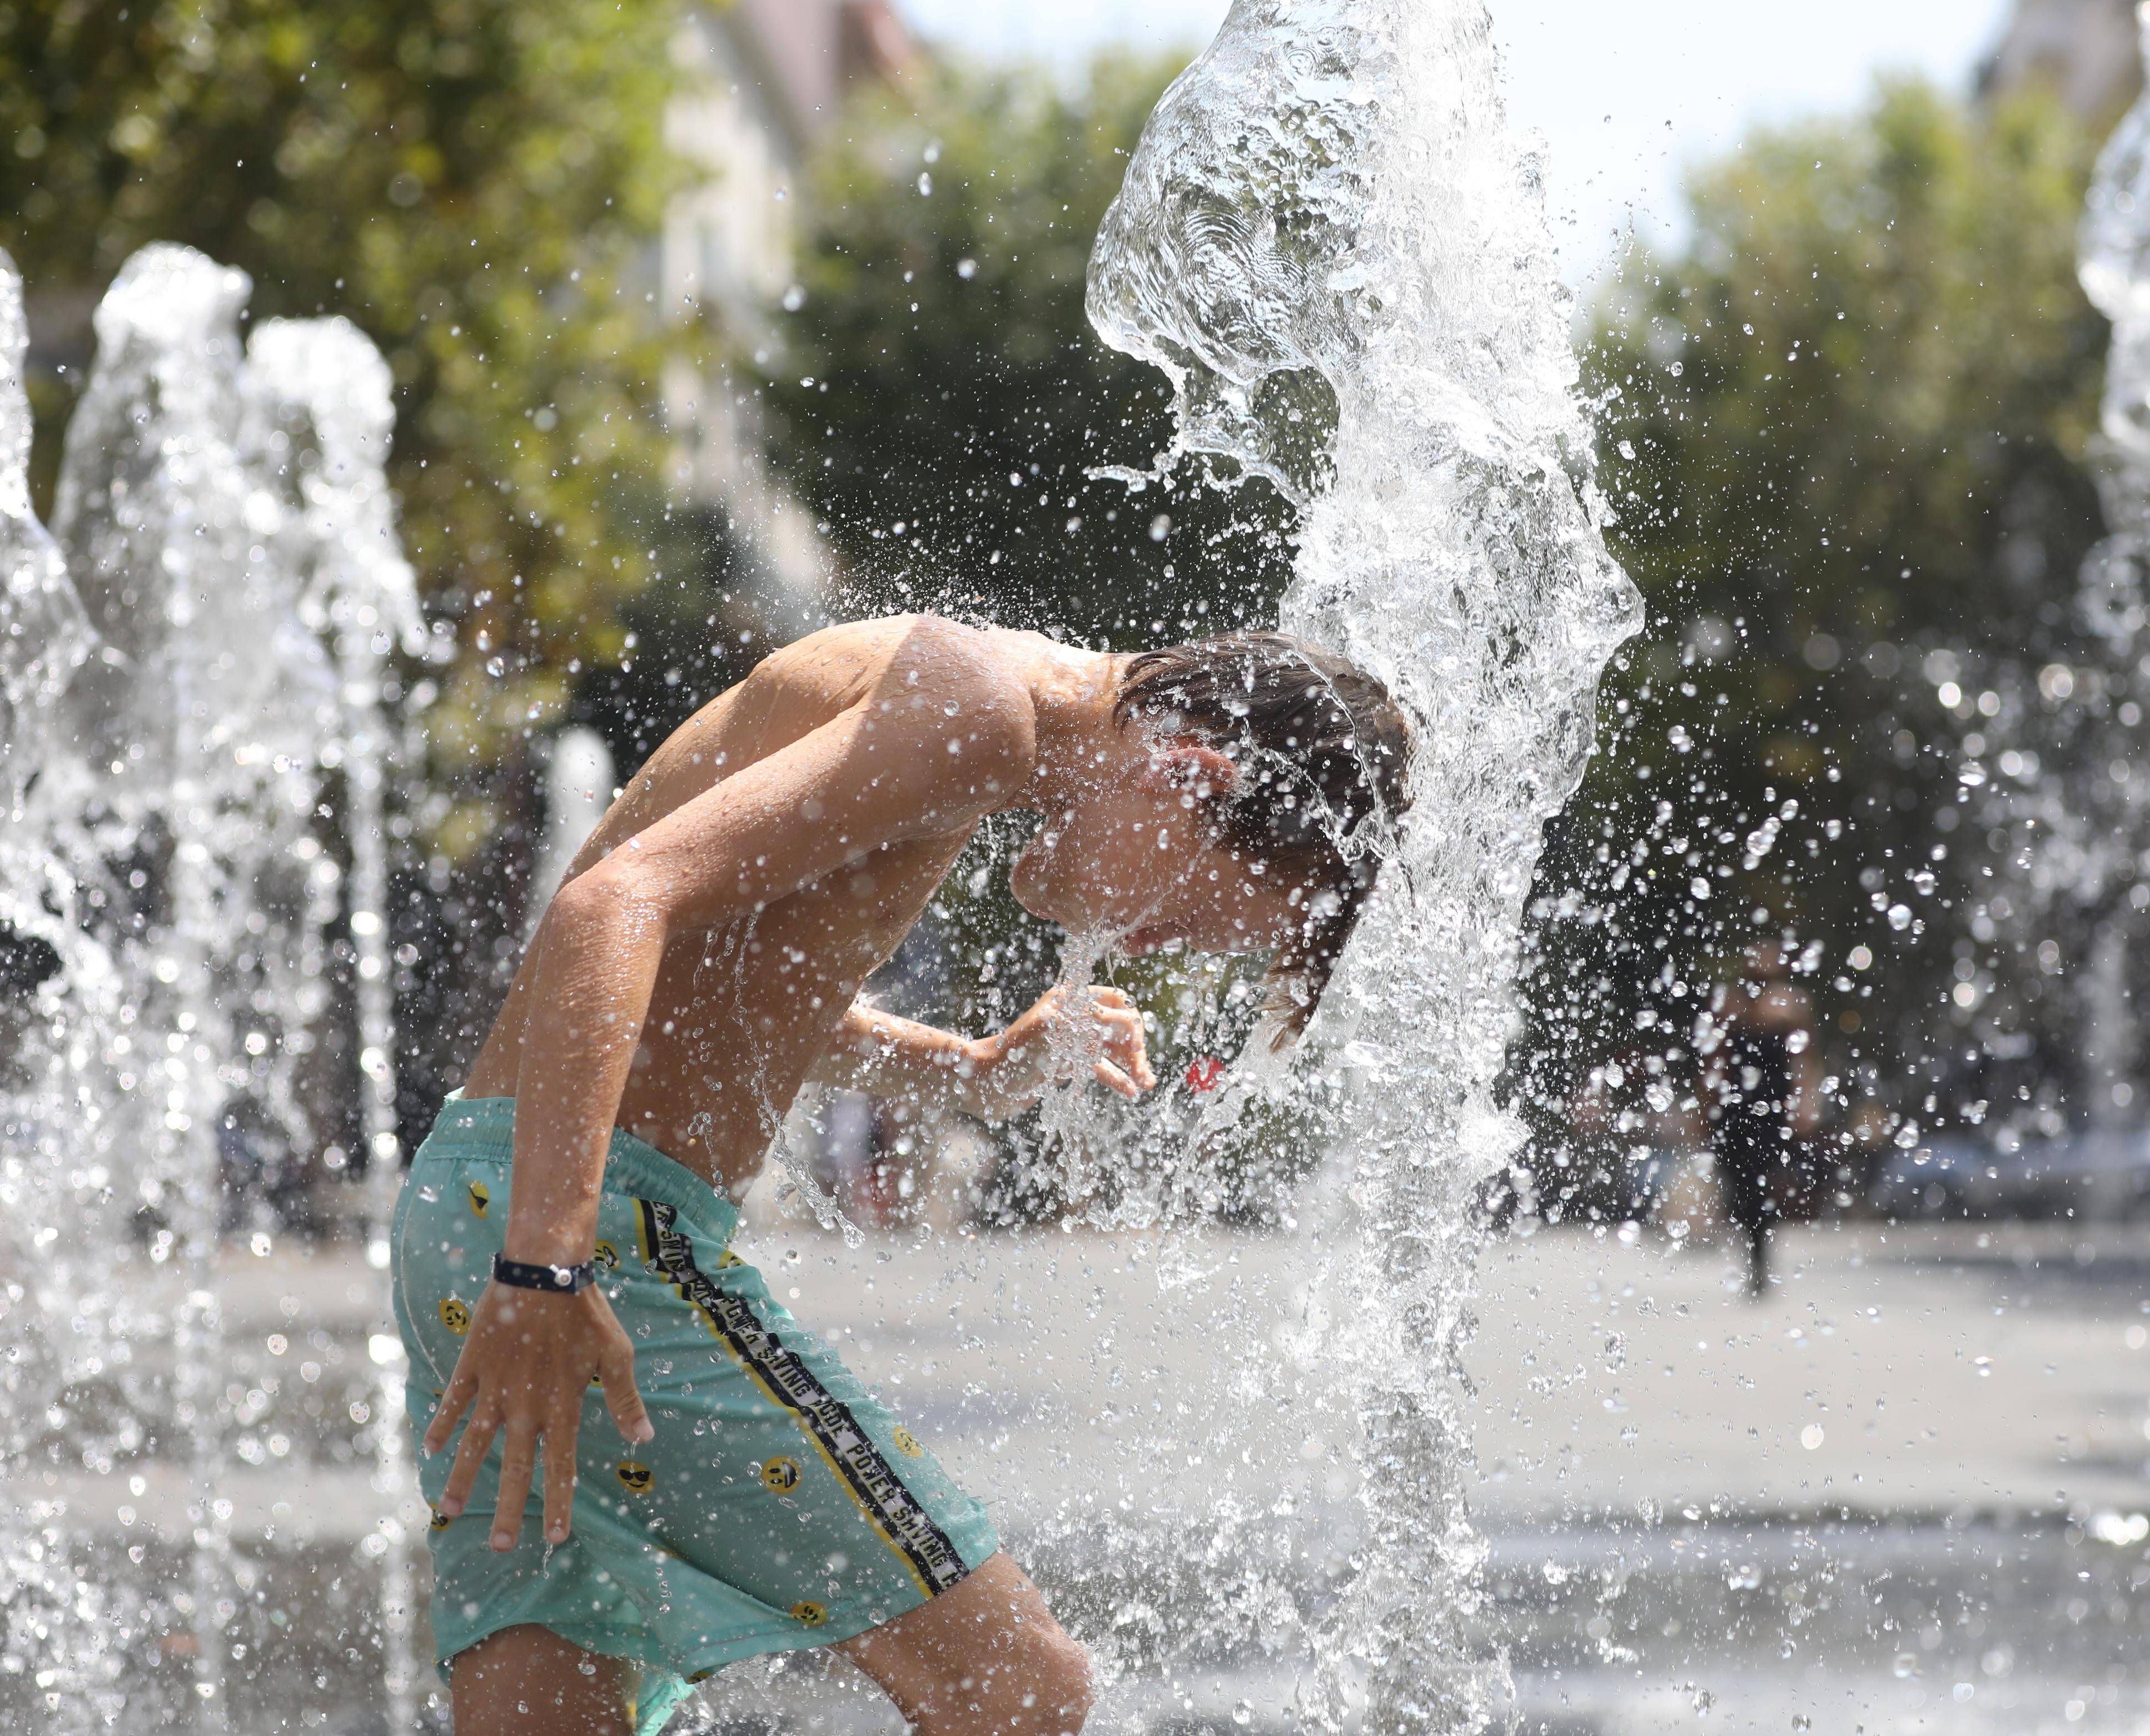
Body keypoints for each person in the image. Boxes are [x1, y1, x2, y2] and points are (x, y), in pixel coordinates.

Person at [402, 617, 1410, 1736]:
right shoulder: (978, 710)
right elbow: (609, 906)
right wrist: (547, 1264)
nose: (1134, 944)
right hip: (579, 1236)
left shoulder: (962, 707)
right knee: (1019, 1689)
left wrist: (971, 1069)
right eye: (1176, 913)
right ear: (1184, 774)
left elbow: (728, 985)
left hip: (483, 1199)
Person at [1698, 947, 1828, 1298]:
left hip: (1772, 1110)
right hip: (1737, 1109)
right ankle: (1754, 1255)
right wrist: (1708, 1106)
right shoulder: (1733, 1005)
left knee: (1763, 1187)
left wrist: (1806, 1105)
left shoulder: (1789, 1006)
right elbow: (1716, 1058)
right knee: (1740, 1188)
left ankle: (1760, 1260)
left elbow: (1806, 1058)